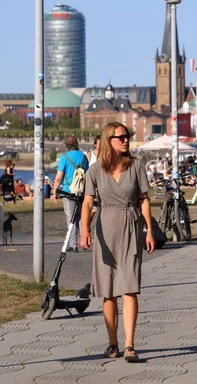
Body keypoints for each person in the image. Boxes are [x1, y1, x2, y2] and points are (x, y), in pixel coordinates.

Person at [80, 122, 156, 362]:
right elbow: (87, 203)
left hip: (131, 226)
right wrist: (85, 230)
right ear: (107, 141)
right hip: (105, 228)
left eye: (128, 136)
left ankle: (130, 344)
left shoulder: (136, 167)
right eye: (121, 137)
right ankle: (112, 343)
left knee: (130, 288)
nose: (126, 140)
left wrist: (149, 230)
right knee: (108, 292)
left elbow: (144, 199)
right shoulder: (95, 171)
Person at [52, 135, 89, 252]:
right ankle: (85, 241)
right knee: (80, 217)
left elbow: (58, 178)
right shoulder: (84, 157)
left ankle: (73, 245)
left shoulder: (64, 157)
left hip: (68, 192)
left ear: (66, 145)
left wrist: (54, 192)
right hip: (82, 192)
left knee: (70, 218)